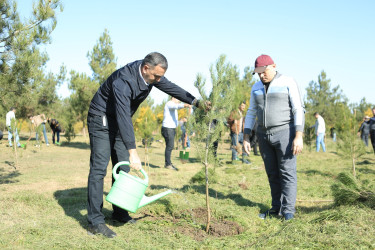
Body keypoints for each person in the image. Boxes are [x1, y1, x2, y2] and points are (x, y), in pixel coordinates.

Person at [86, 52, 203, 238]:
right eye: (156, 76)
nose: (159, 80)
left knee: (122, 167)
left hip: (118, 119)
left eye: (160, 76)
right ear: (145, 68)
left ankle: (119, 213)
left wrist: (196, 102)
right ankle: (95, 221)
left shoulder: (152, 76)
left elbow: (172, 88)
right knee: (99, 168)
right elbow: (123, 116)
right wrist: (133, 151)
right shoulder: (123, 82)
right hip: (101, 117)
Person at [243, 54, 305, 221]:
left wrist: (298, 136)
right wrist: (246, 136)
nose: (261, 75)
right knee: (272, 173)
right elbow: (251, 111)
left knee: (287, 172)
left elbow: (298, 109)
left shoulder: (287, 82)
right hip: (264, 135)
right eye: (258, 73)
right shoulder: (256, 87)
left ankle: (288, 212)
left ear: (273, 66)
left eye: (264, 71)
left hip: (285, 132)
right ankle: (275, 208)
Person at [161, 97, 191, 170]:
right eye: (178, 99)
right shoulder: (169, 104)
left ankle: (168, 163)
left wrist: (183, 123)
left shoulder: (172, 108)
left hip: (170, 128)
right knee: (170, 146)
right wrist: (186, 105)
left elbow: (174, 120)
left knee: (170, 146)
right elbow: (177, 106)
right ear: (173, 97)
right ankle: (167, 164)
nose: (179, 101)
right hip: (168, 128)